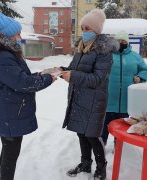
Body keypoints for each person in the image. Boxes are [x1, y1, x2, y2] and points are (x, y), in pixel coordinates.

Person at [0, 11, 56, 180]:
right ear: (7, 35)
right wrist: (49, 78)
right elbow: (23, 83)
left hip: (8, 111)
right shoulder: (2, 56)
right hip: (9, 113)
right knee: (10, 154)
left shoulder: (2, 53)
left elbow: (18, 77)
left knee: (8, 151)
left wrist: (41, 74)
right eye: (17, 33)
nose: (20, 36)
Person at [59, 9, 119, 180]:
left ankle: (101, 167)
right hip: (79, 97)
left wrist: (74, 76)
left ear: (96, 30)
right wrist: (64, 71)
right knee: (80, 132)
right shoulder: (81, 48)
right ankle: (85, 163)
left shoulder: (104, 51)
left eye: (88, 28)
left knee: (92, 134)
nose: (84, 31)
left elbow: (98, 78)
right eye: (82, 27)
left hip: (94, 100)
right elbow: (76, 69)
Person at [101, 31, 147, 146]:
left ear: (127, 42)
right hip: (108, 100)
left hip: (127, 102)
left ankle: (119, 147)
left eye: (123, 41)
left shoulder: (135, 56)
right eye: (118, 41)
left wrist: (140, 77)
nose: (121, 43)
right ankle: (100, 147)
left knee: (123, 130)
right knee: (103, 128)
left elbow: (145, 70)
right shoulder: (107, 55)